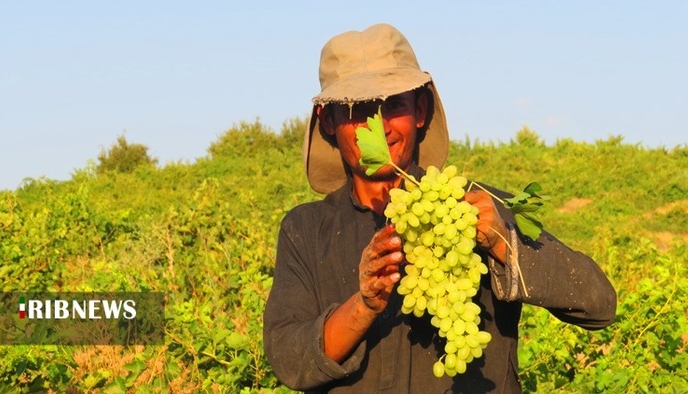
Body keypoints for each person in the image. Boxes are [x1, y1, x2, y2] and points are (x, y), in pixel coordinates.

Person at [263, 23, 616, 393]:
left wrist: (502, 245)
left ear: (420, 111)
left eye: (394, 105)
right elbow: (289, 359)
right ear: (329, 122)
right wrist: (364, 304)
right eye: (358, 109)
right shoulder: (305, 230)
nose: (378, 126)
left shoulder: (473, 208)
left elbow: (599, 305)